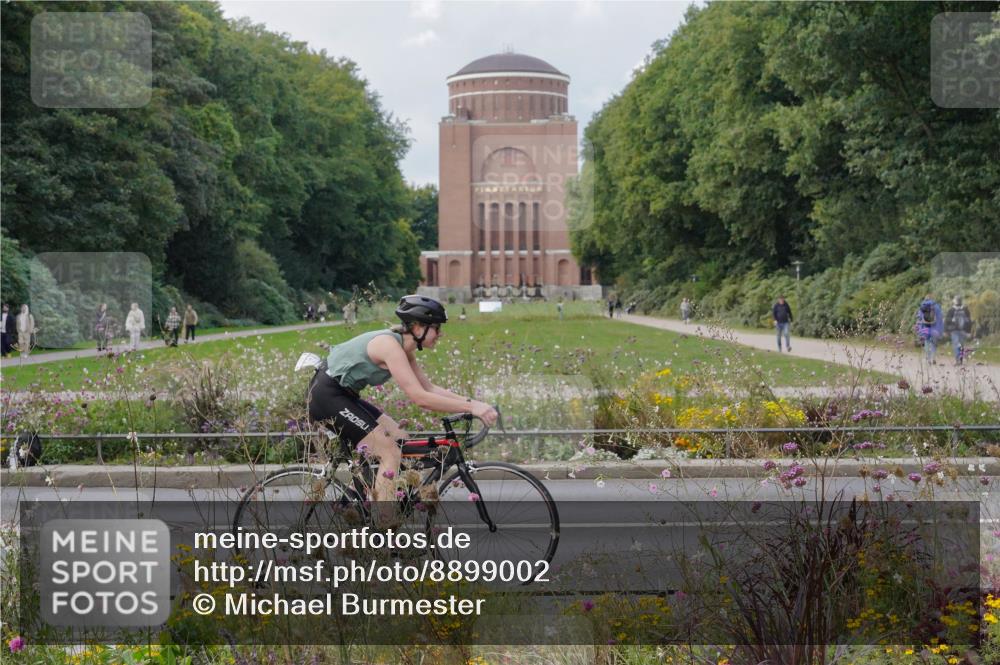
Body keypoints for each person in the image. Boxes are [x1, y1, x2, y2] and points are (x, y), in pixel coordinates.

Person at [307, 295, 498, 528]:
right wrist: (472, 408)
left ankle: (360, 500)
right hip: (326, 396)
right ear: (418, 327)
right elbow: (421, 399)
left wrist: (474, 403)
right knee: (390, 453)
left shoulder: (403, 349)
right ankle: (385, 528)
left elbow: (429, 388)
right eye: (436, 328)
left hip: (343, 395)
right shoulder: (390, 347)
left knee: (401, 439)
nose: (440, 334)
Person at [944, 295, 973, 366]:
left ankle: (958, 360)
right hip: (963, 330)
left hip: (954, 330)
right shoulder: (965, 309)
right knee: (961, 345)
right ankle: (960, 360)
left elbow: (947, 321)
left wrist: (946, 331)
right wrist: (969, 332)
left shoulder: (951, 310)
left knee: (956, 345)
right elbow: (969, 321)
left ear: (954, 301)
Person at [914, 294, 943, 365]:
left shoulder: (922, 306)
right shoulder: (936, 306)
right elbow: (940, 318)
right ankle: (933, 358)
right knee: (934, 343)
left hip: (925, 327)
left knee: (926, 342)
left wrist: (919, 329)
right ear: (932, 299)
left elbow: (919, 318)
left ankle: (928, 359)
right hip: (934, 328)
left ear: (925, 299)